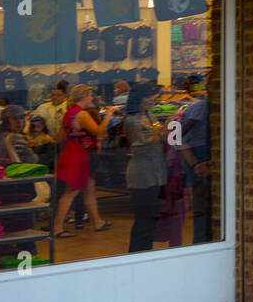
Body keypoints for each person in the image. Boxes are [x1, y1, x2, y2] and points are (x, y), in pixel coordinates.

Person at [53, 84, 119, 237]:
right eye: (90, 95)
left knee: (89, 189)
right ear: (84, 96)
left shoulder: (69, 112)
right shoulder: (82, 114)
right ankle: (57, 227)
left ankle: (97, 221)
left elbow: (61, 136)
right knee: (72, 191)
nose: (92, 98)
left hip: (74, 150)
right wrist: (109, 114)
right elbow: (98, 131)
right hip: (80, 154)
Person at [124, 85, 168, 253]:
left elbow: (160, 139)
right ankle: (136, 254)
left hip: (156, 173)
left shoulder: (151, 116)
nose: (152, 99)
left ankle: (146, 253)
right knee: (143, 219)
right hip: (141, 176)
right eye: (147, 97)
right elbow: (140, 147)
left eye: (152, 96)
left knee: (152, 218)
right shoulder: (131, 121)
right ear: (138, 99)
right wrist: (161, 131)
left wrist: (171, 130)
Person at [178, 75, 211, 243]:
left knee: (201, 197)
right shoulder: (201, 105)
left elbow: (178, 137)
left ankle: (201, 239)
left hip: (196, 150)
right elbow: (180, 135)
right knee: (202, 197)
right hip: (198, 150)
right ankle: (200, 240)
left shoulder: (193, 105)